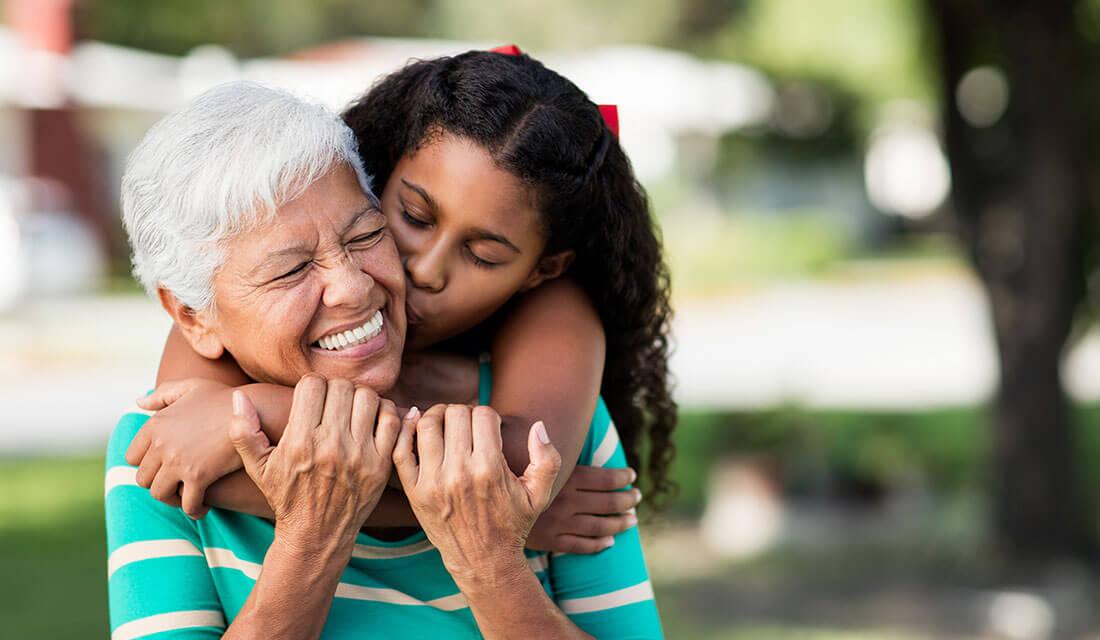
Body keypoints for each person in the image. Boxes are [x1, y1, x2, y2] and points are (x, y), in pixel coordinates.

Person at [107, 77, 664, 639]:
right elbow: (186, 463)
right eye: (291, 269)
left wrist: (492, 557)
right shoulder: (168, 444)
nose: (353, 286)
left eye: (363, 236)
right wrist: (313, 535)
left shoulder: (558, 428)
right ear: (193, 315)